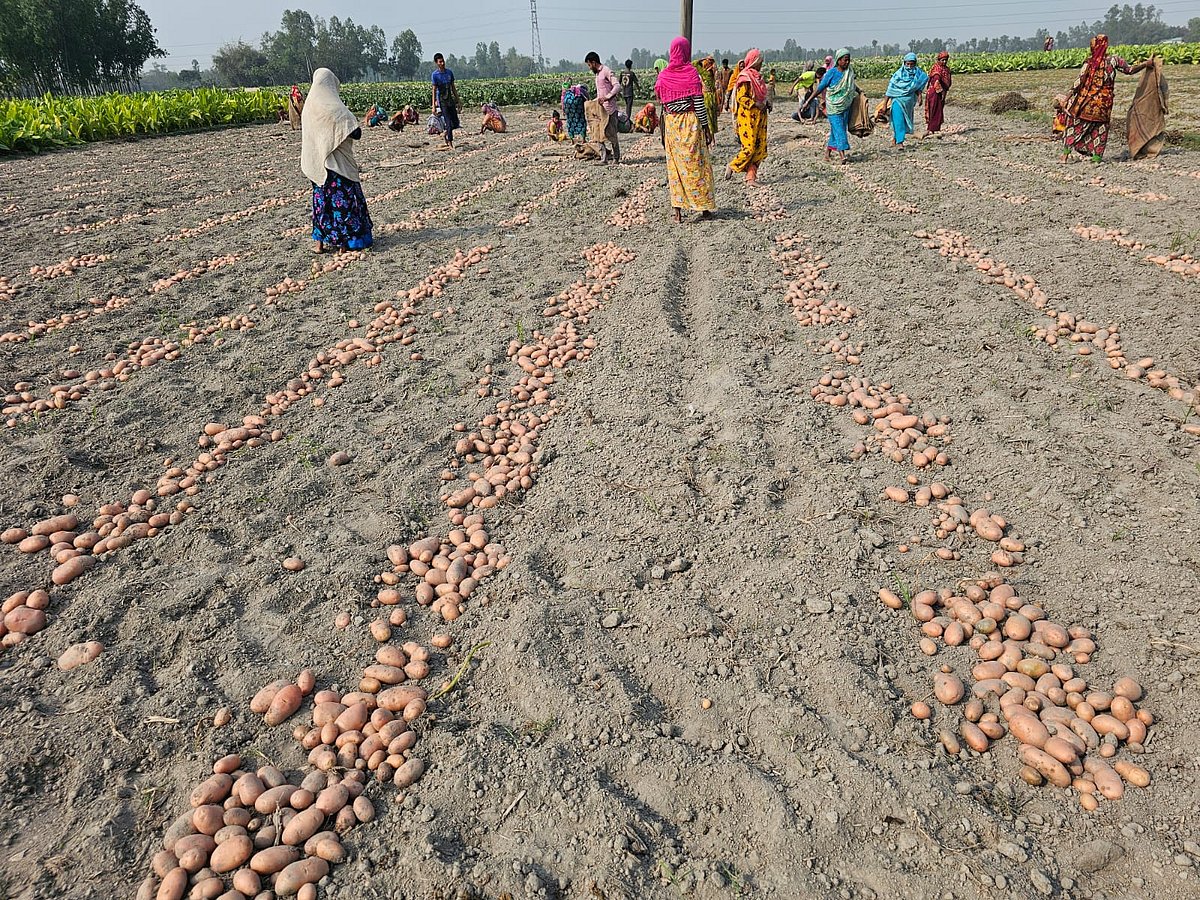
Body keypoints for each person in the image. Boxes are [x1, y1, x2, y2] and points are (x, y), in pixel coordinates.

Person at [301, 68, 372, 254]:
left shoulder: (309, 106)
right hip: (337, 166)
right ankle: (344, 243)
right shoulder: (334, 106)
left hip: (317, 165)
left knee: (321, 204)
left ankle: (320, 244)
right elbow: (356, 133)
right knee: (343, 202)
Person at [655, 36, 716, 222]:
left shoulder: (663, 76)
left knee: (675, 167)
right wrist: (707, 128)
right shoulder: (691, 74)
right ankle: (704, 208)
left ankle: (678, 212)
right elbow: (699, 104)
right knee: (697, 164)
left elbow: (661, 100)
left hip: (672, 124)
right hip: (691, 124)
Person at [1060, 34, 1149, 162]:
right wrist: (1146, 64)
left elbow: (1078, 82)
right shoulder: (1114, 60)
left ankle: (1065, 155)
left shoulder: (1089, 63)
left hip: (1086, 103)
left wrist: (1068, 97)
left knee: (1075, 127)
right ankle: (1096, 158)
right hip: (1104, 105)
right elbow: (1130, 70)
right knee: (1100, 130)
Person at [726, 48, 769, 183]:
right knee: (749, 147)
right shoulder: (745, 78)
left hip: (760, 117)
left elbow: (763, 96)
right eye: (759, 61)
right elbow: (741, 98)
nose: (761, 64)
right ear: (754, 61)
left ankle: (751, 177)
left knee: (760, 148)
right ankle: (732, 165)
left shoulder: (759, 78)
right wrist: (755, 104)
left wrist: (766, 104)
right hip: (748, 118)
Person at [810, 50, 856, 163]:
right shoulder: (831, 73)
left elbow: (852, 85)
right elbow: (820, 87)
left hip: (845, 105)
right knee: (839, 129)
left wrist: (860, 92)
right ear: (839, 60)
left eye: (848, 60)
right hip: (833, 107)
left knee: (837, 129)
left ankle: (827, 154)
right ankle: (842, 155)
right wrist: (808, 101)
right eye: (845, 60)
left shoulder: (849, 72)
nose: (847, 62)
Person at [886, 53, 928, 148]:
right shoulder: (898, 75)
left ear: (915, 64)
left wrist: (920, 96)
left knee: (903, 121)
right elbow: (890, 89)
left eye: (912, 64)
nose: (909, 66)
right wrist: (885, 104)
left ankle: (895, 138)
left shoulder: (918, 75)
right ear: (904, 63)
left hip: (909, 104)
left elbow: (918, 87)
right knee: (898, 120)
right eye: (907, 64)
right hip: (897, 101)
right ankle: (900, 142)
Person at [585, 51, 621, 163]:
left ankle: (616, 158)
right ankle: (604, 157)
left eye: (589, 65)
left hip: (610, 109)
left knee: (611, 134)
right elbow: (600, 93)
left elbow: (617, 86)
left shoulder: (606, 71)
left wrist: (607, 97)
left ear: (594, 62)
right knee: (598, 134)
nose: (590, 68)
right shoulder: (597, 75)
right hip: (600, 110)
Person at [431, 53, 461, 150]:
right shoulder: (435, 75)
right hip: (442, 101)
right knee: (448, 122)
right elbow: (434, 90)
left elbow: (453, 88)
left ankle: (446, 133)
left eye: (443, 61)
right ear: (436, 63)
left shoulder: (449, 73)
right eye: (440, 62)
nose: (443, 63)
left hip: (450, 100)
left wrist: (458, 100)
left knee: (456, 123)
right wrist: (434, 105)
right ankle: (450, 142)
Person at [924, 51, 952, 137]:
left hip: (942, 92)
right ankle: (930, 129)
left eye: (945, 60)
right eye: (942, 60)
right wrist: (941, 92)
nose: (944, 62)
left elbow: (947, 81)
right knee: (933, 109)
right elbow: (936, 80)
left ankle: (935, 128)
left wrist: (944, 92)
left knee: (939, 110)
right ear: (938, 60)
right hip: (934, 92)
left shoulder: (947, 69)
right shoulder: (936, 68)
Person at [694, 55, 719, 134]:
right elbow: (694, 63)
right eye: (708, 62)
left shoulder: (714, 72)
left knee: (713, 115)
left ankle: (712, 136)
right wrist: (703, 58)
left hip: (712, 96)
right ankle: (710, 135)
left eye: (710, 62)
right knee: (708, 115)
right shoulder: (703, 72)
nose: (709, 64)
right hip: (706, 96)